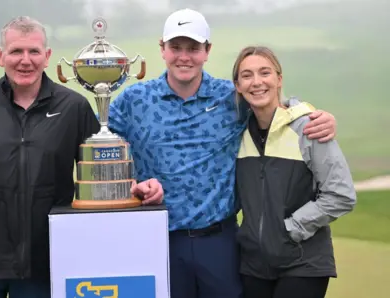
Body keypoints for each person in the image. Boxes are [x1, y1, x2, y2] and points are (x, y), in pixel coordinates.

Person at [107, 8, 337, 298]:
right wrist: (131, 185)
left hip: (219, 241)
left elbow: (270, 104)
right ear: (162, 49)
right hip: (157, 238)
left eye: (194, 48)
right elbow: (102, 148)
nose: (184, 57)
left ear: (207, 51)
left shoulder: (231, 98)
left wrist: (312, 115)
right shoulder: (133, 100)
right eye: (176, 48)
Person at [0, 16, 164, 298]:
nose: (25, 60)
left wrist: (134, 190)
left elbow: (99, 173)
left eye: (34, 52)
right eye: (16, 51)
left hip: (48, 265)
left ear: (47, 56)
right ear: (0, 56)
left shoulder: (73, 107)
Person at [233, 45, 357, 298]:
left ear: (279, 79)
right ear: (237, 85)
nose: (257, 82)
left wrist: (291, 228)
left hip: (304, 262)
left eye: (265, 73)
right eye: (247, 75)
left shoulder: (310, 128)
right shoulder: (237, 134)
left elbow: (341, 194)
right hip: (254, 265)